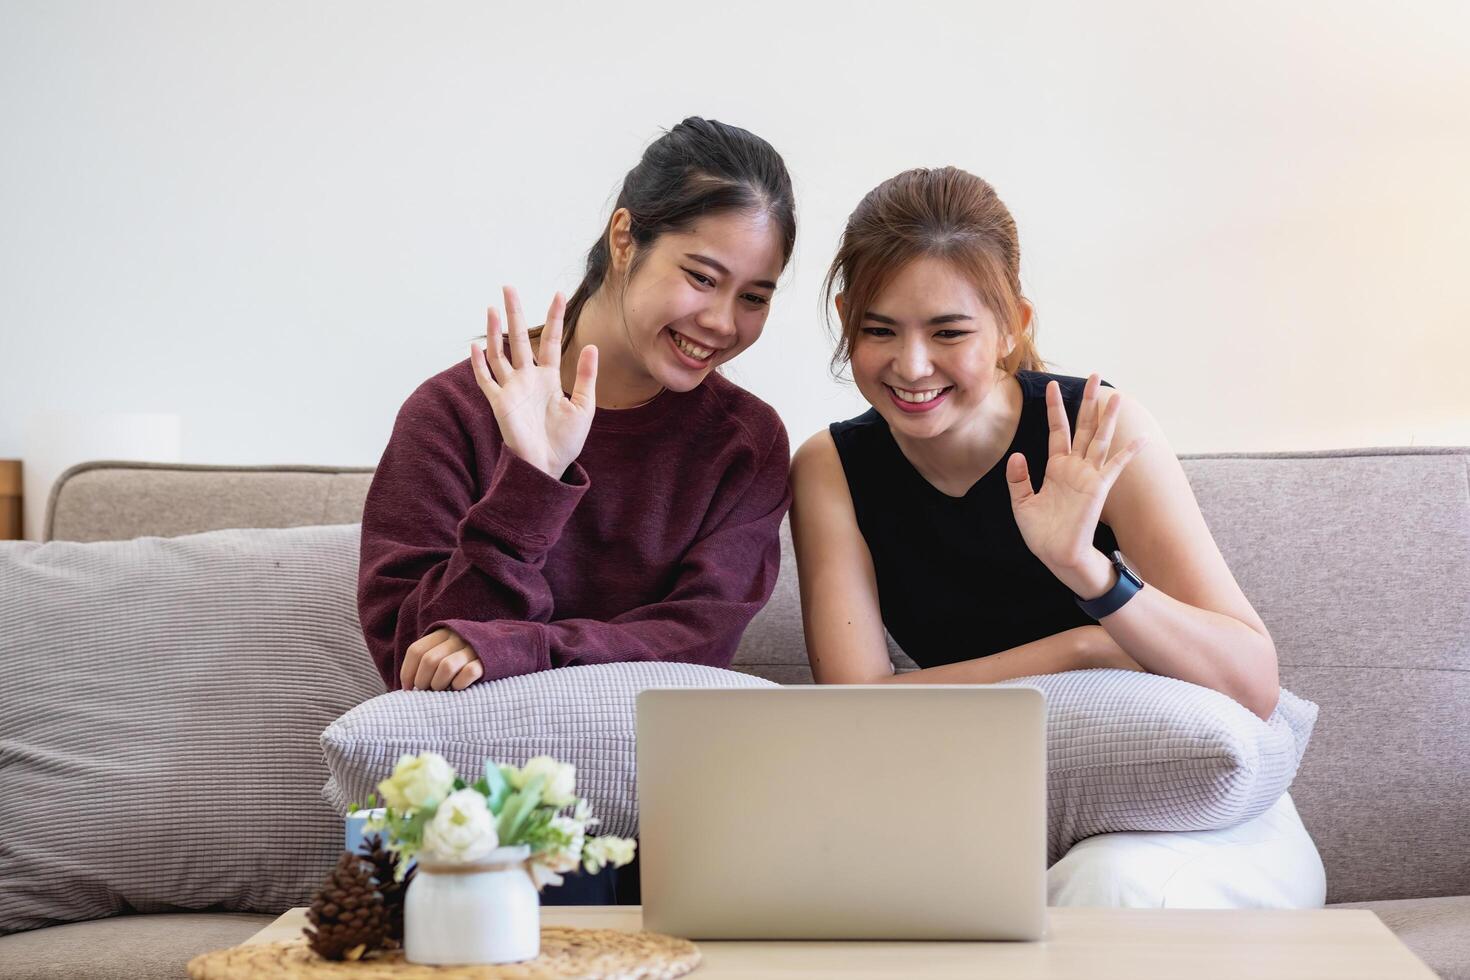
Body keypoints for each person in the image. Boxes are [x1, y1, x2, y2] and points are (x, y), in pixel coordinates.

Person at [789, 166, 1325, 908]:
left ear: (1013, 323)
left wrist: (1089, 574)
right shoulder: (832, 467)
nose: (911, 366)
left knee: (1105, 889)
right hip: (999, 810)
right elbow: (854, 703)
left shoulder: (1101, 428)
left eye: (949, 332)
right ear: (846, 315)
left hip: (1194, 827)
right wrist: (1081, 649)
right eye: (879, 330)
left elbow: (1251, 680)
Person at [357, 117, 796, 903]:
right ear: (624, 236)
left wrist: (515, 647)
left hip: (662, 807)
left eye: (754, 297)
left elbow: (696, 645)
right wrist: (533, 473)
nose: (724, 323)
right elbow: (417, 664)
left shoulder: (746, 443)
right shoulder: (452, 413)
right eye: (702, 276)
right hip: (470, 822)